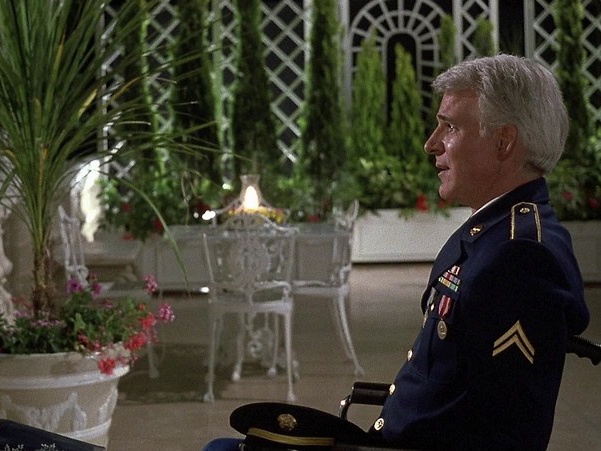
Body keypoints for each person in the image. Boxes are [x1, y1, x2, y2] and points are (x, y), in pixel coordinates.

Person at [203, 54, 590, 450]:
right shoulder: (493, 232)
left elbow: (505, 433)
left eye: (450, 127)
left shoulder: (520, 256)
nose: (431, 143)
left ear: (503, 142)